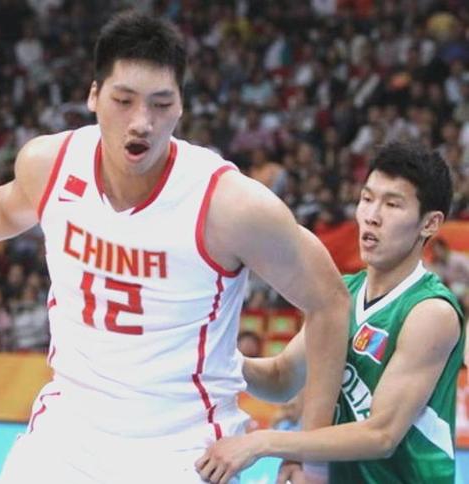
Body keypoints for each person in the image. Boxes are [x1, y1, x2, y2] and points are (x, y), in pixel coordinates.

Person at [0, 11, 349, 483]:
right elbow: (4, 208)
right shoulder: (51, 163)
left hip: (182, 449)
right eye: (124, 101)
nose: (142, 121)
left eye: (161, 103)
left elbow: (329, 301)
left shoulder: (230, 205)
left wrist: (309, 453)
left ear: (181, 107)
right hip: (66, 434)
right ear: (94, 96)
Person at [196, 141, 465, 484]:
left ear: (430, 223)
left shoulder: (431, 312)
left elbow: (381, 435)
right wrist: (211, 357)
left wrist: (263, 443)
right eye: (367, 198)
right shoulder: (341, 294)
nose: (372, 215)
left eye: (392, 204)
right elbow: (281, 378)